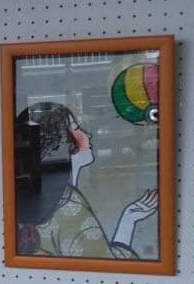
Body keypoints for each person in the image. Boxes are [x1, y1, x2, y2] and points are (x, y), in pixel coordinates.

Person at [14, 102, 157, 258]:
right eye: (78, 129)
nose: (88, 135)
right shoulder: (71, 208)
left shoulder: (37, 198)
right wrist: (128, 220)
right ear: (63, 143)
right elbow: (106, 263)